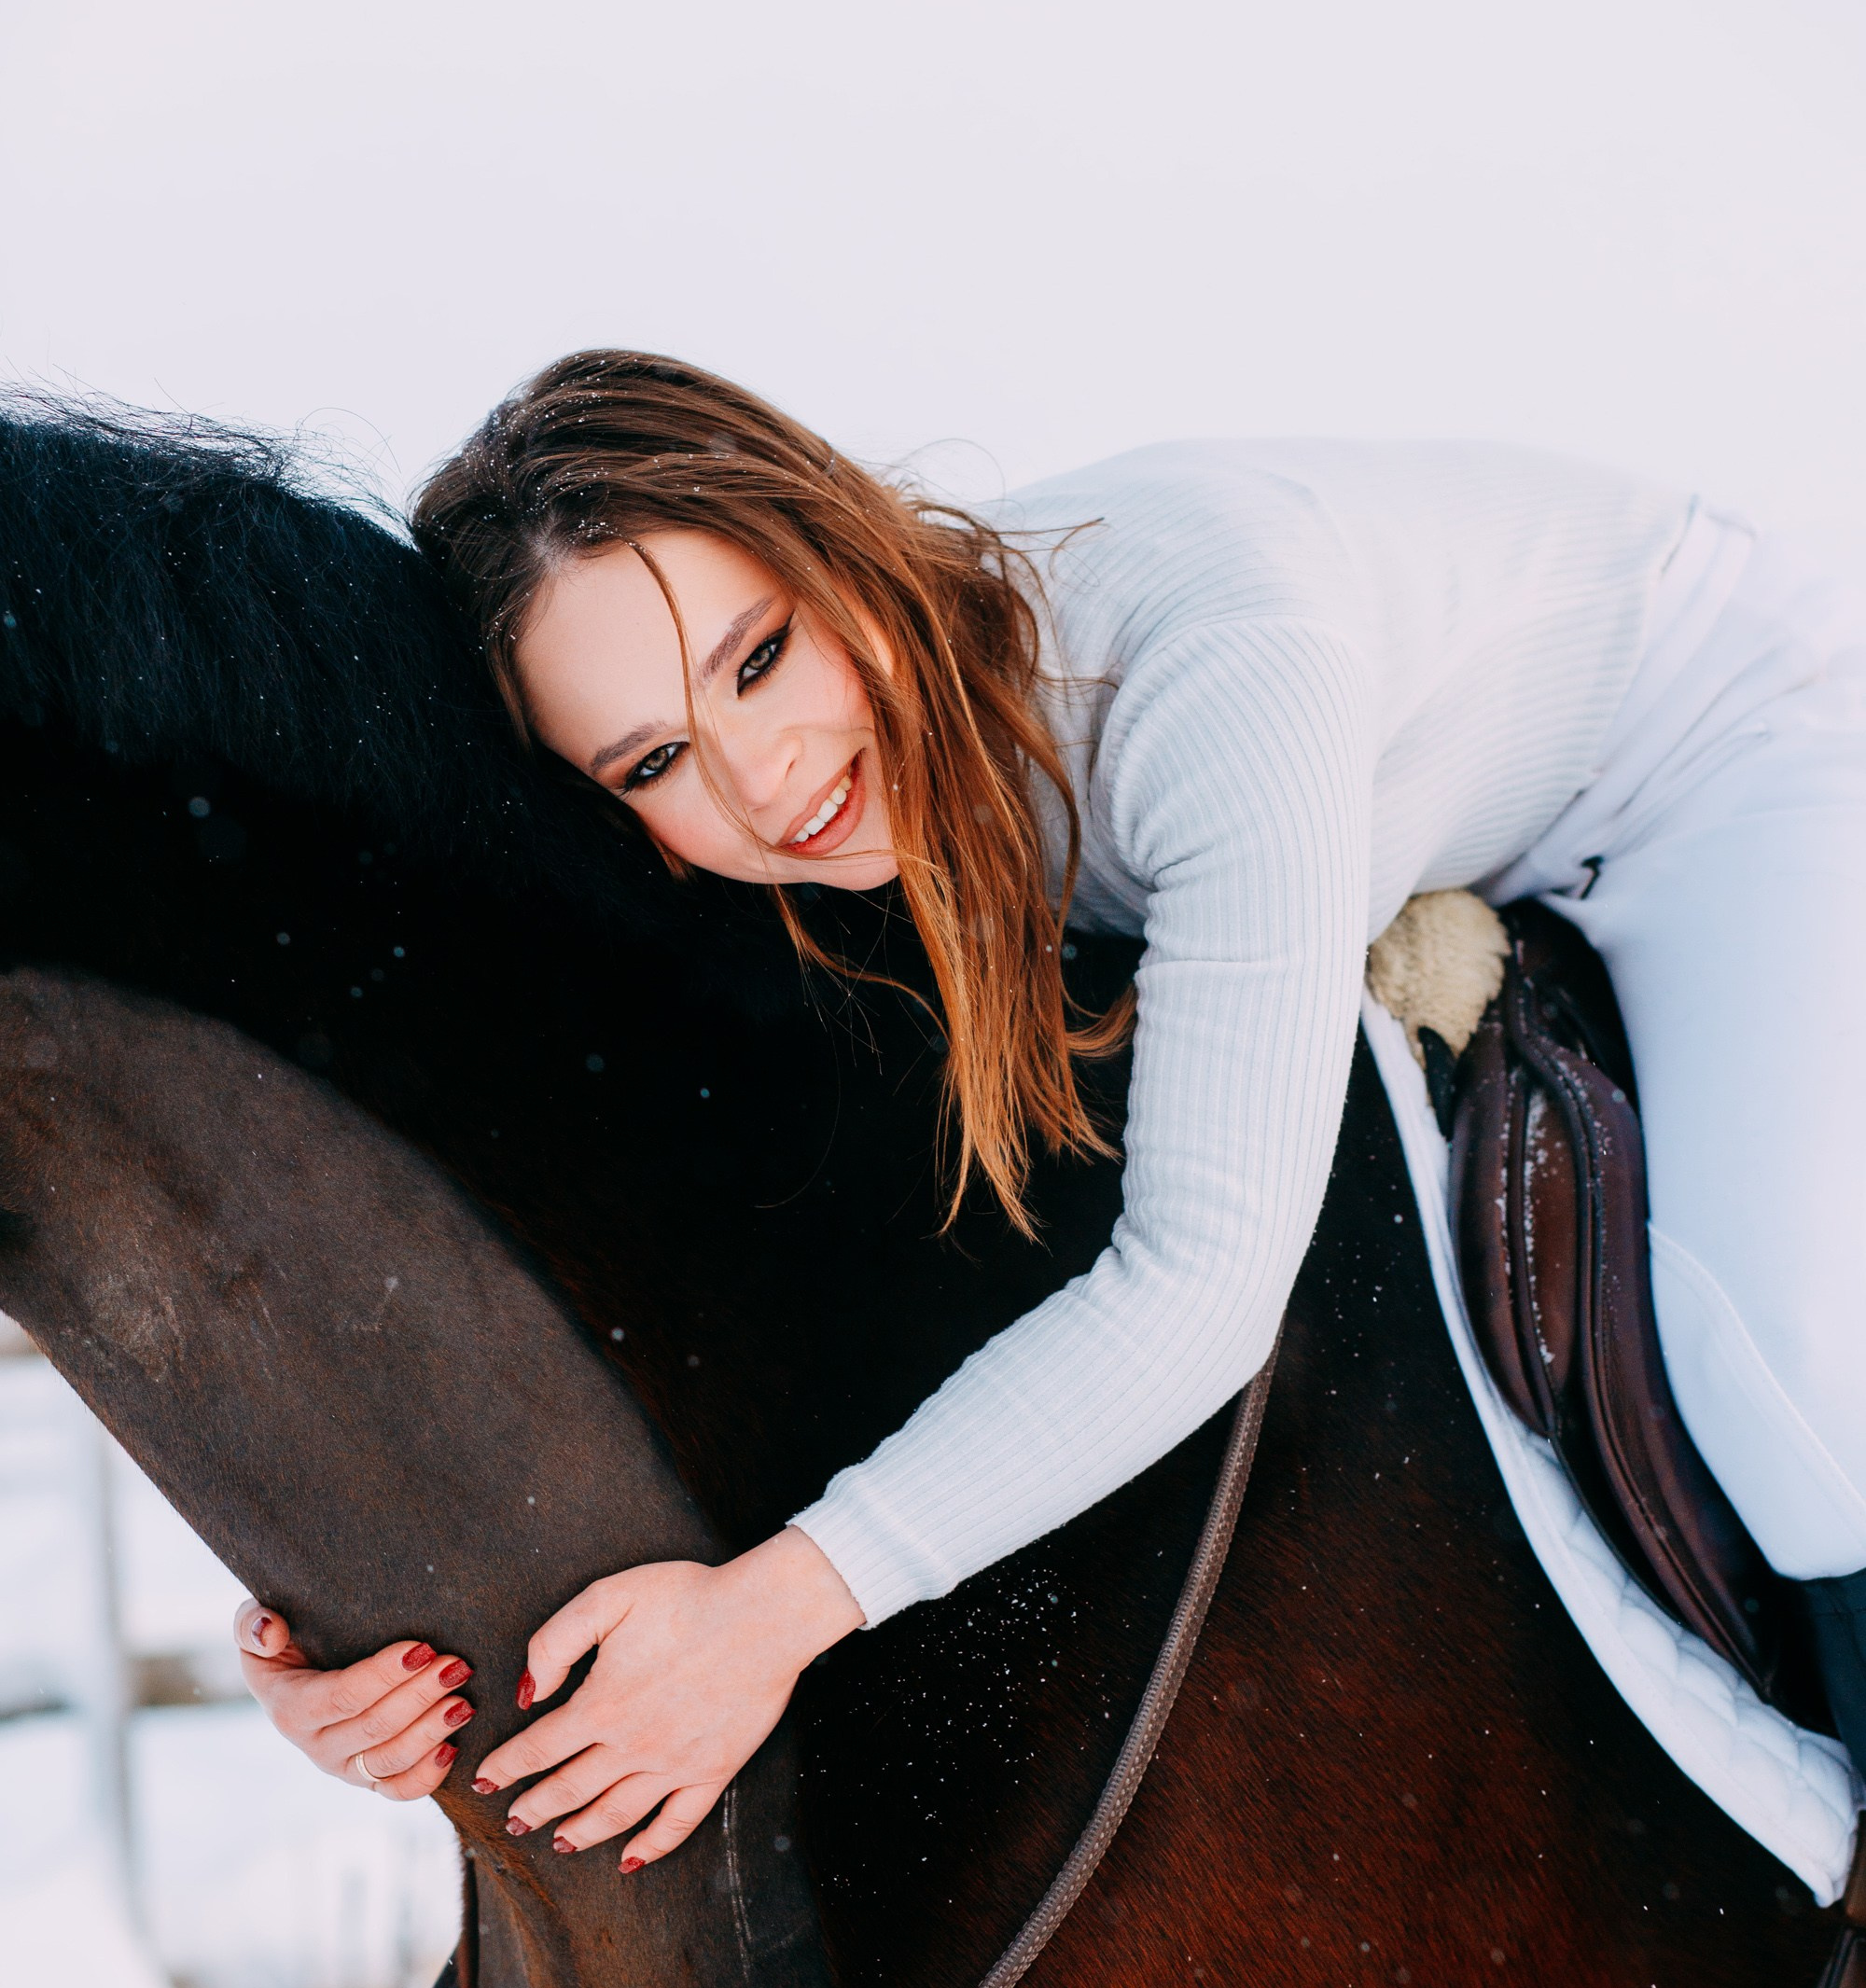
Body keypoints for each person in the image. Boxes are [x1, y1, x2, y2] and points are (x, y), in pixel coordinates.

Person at [238, 352, 1866, 1868]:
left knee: (1794, 1401)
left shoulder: (1206, 663)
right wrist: (353, 1637)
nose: (761, 782)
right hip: (1409, 788)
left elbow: (1209, 1284)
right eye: (655, 756)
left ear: (837, 536)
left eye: (761, 655)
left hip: (1710, 755)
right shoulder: (796, 819)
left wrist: (779, 1611)